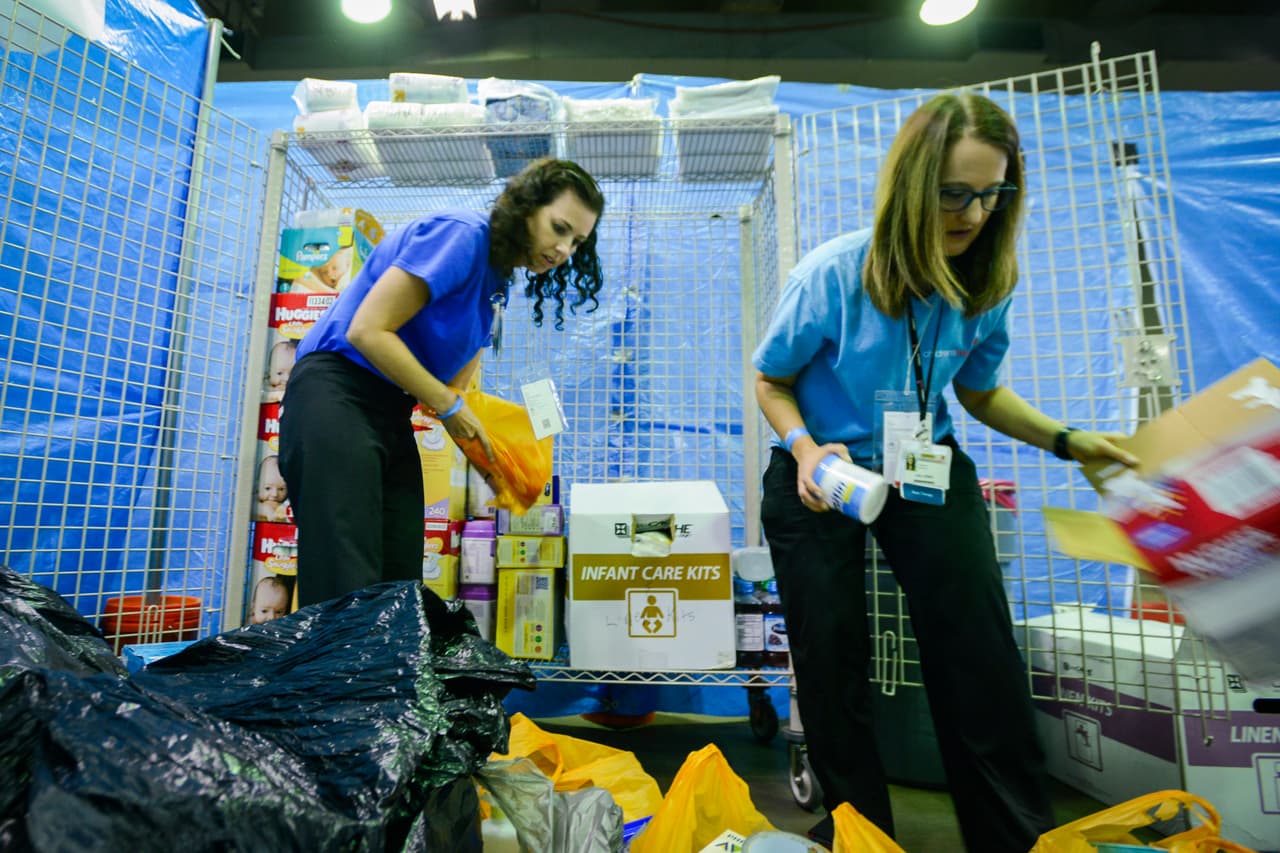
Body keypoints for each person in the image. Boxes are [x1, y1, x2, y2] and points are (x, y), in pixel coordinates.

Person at [752, 93, 1138, 853]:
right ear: (912, 187)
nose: (972, 213)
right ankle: (861, 837)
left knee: (979, 652)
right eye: (954, 193)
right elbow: (770, 378)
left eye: (992, 194)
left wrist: (1069, 440)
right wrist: (804, 449)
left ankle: (1016, 839)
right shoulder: (833, 273)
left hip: (922, 466)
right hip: (819, 471)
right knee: (832, 659)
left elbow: (980, 391)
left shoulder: (985, 280)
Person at [279, 158, 605, 608]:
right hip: (336, 391)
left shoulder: (496, 283)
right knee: (344, 572)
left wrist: (500, 457)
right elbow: (367, 331)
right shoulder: (462, 235)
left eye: (577, 241)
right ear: (527, 208)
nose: (565, 248)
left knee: (398, 581)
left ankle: (381, 679)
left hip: (390, 409)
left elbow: (451, 391)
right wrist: (454, 410)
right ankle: (339, 679)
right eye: (560, 227)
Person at [255, 454, 288, 522]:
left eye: (281, 489)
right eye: (268, 488)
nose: (274, 494)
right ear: (257, 485)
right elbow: (250, 508)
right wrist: (266, 511)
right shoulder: (254, 500)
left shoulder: (286, 504)